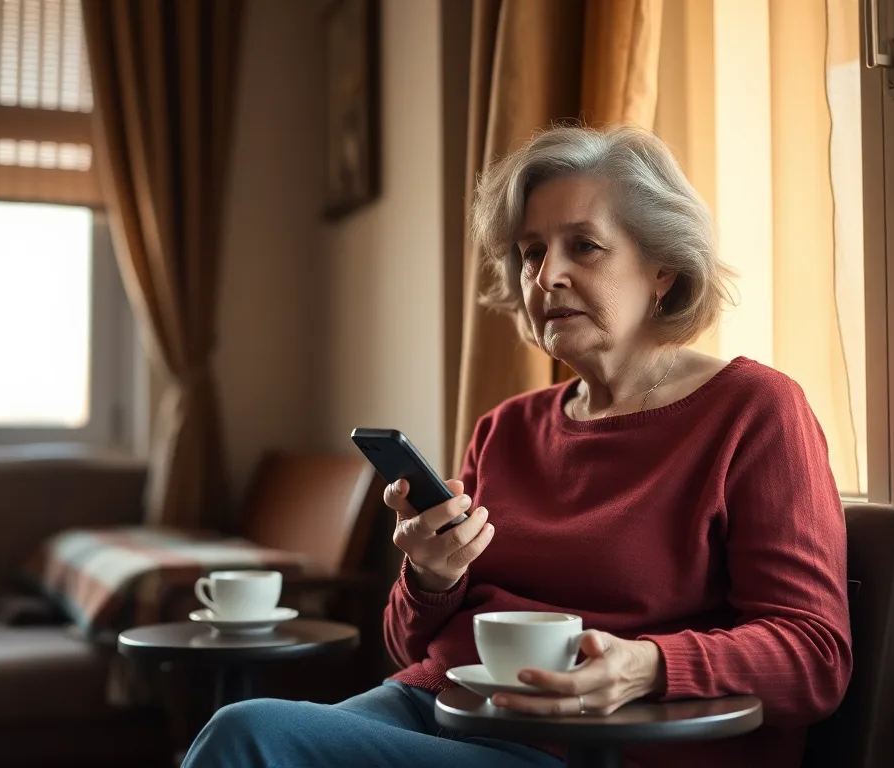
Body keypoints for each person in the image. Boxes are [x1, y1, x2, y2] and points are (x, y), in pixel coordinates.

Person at [181, 124, 852, 768]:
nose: (545, 277)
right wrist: (430, 578)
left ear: (663, 271)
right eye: (533, 253)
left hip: (604, 748)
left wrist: (646, 665)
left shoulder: (755, 411)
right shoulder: (504, 429)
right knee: (240, 734)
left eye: (583, 246)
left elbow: (814, 656)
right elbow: (407, 646)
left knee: (247, 736)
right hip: (440, 710)